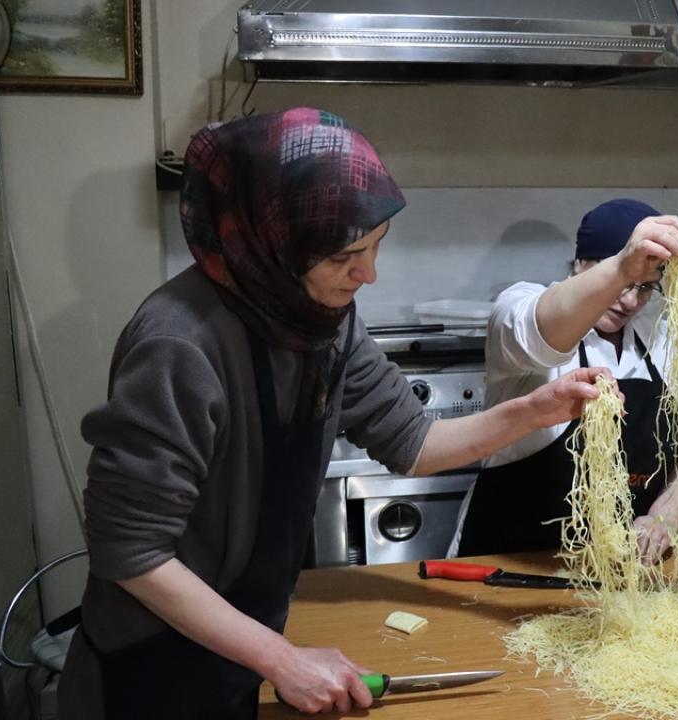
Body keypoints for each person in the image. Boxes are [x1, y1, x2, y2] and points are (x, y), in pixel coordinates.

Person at [58, 108, 609, 719]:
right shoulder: (179, 345)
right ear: (272, 242)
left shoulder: (322, 321)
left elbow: (414, 440)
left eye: (375, 247)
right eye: (346, 255)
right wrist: (283, 660)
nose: (367, 275)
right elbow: (131, 552)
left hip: (241, 646)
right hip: (151, 664)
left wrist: (533, 411)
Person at [454, 199, 678, 564]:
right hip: (505, 563)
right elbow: (540, 332)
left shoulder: (660, 339)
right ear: (580, 264)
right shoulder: (520, 307)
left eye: (644, 288)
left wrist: (667, 515)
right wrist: (622, 269)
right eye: (620, 279)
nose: (629, 300)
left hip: (618, 575)